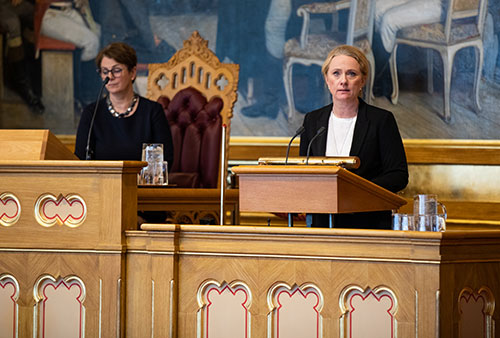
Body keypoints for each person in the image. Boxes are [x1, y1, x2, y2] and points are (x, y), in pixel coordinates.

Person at [299, 45, 408, 229]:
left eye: (351, 74)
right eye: (336, 73)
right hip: (321, 222)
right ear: (327, 79)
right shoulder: (312, 121)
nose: (343, 81)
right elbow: (303, 171)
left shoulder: (381, 120)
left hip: (367, 222)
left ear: (363, 80)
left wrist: (355, 190)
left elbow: (398, 175)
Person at [74, 42, 173, 164]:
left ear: (132, 73)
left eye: (116, 70)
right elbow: (80, 160)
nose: (109, 76)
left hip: (140, 183)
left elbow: (165, 160)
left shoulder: (153, 111)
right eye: (105, 71)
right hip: (100, 183)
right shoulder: (91, 113)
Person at [0, 0, 44, 114]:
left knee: (37, 14)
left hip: (10, 4)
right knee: (14, 24)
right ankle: (24, 86)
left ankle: (36, 79)